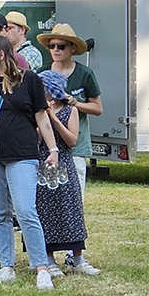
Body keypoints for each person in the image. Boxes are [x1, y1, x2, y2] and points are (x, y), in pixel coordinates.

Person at [0, 36, 62, 290]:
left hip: (22, 154)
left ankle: (41, 267)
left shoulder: (29, 80)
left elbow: (42, 117)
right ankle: (7, 265)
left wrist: (52, 149)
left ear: (2, 54)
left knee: (26, 210)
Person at [36, 70, 95, 275]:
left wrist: (54, 118)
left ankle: (77, 257)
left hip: (65, 164)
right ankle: (48, 258)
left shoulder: (71, 110)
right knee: (45, 210)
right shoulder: (37, 110)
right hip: (43, 165)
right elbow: (37, 140)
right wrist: (41, 118)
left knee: (71, 208)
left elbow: (71, 140)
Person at [37, 23, 102, 204]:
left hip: (76, 146)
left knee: (74, 197)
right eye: (52, 46)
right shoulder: (42, 73)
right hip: (46, 147)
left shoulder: (84, 73)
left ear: (73, 48)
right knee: (48, 197)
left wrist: (74, 102)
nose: (55, 50)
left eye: (61, 46)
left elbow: (98, 108)